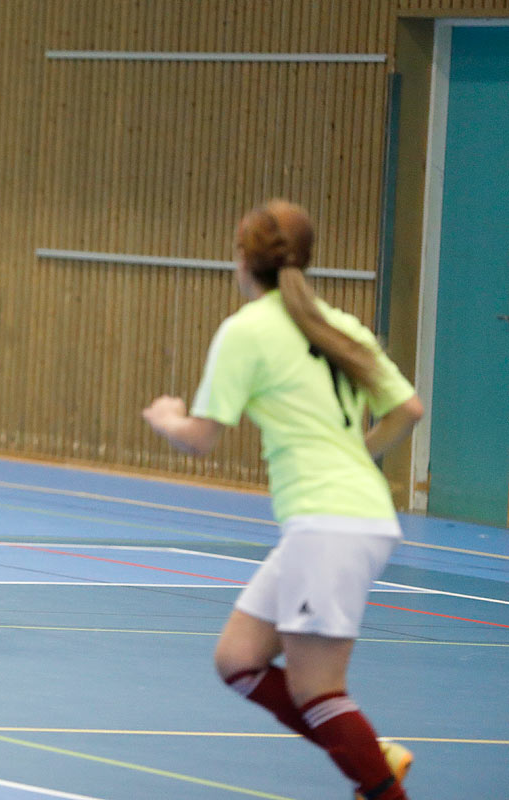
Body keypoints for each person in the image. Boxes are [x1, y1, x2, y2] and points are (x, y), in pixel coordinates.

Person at [142, 199, 423, 800]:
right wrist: (358, 456)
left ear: (243, 260)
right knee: (239, 660)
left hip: (329, 524)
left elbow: (201, 437)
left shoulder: (248, 330)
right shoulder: (338, 324)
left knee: (318, 690)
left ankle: (377, 779)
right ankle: (369, 754)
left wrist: (167, 417)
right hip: (349, 516)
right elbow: (408, 409)